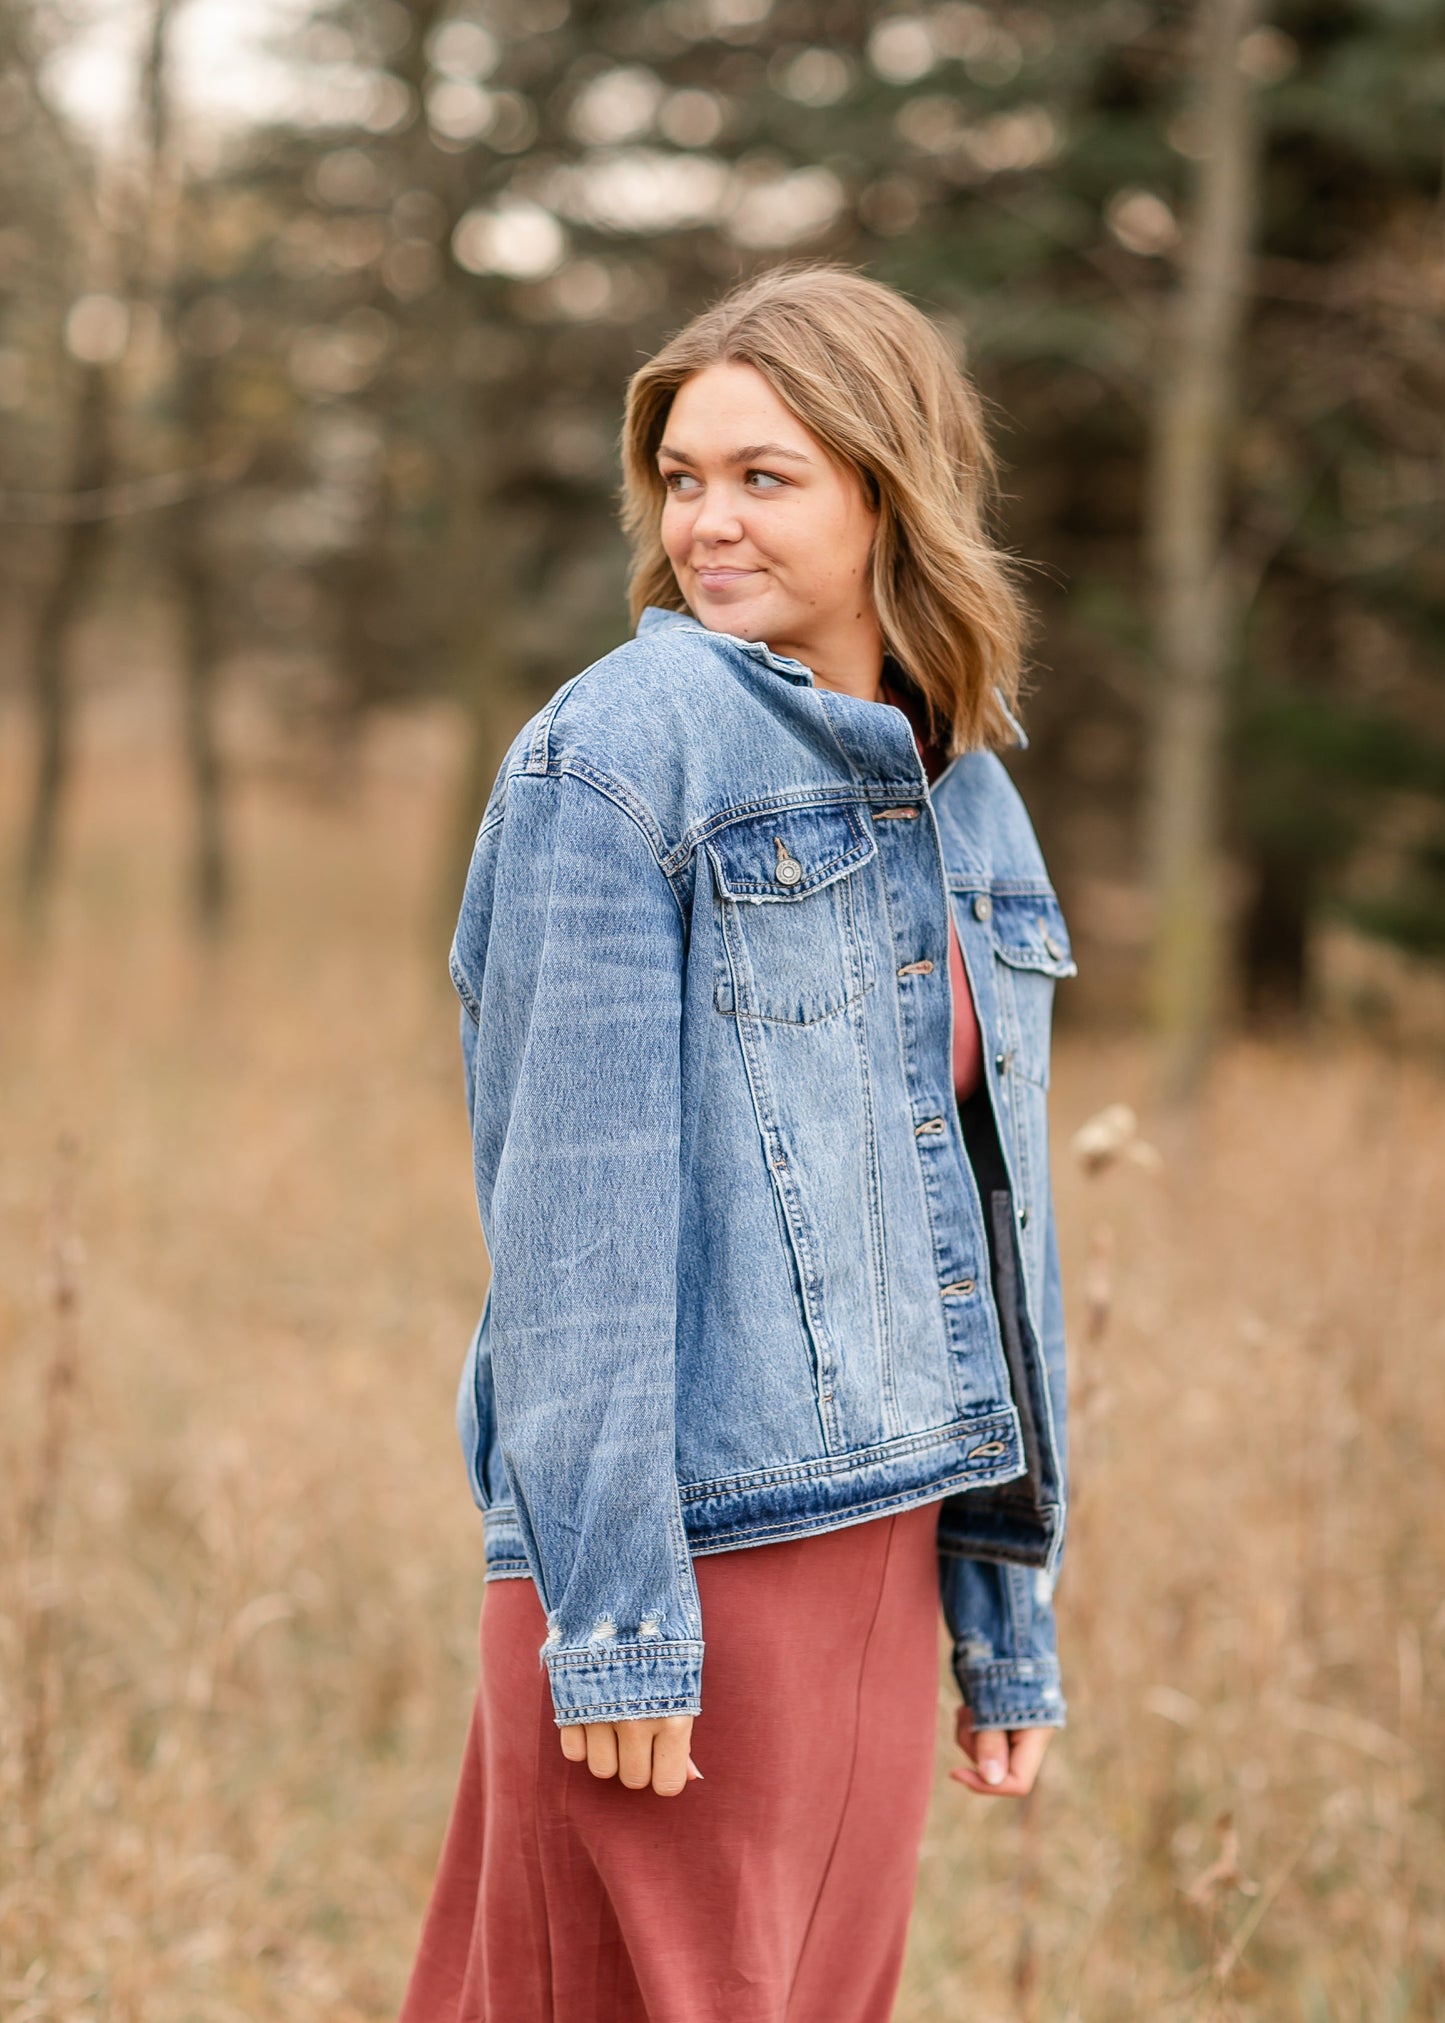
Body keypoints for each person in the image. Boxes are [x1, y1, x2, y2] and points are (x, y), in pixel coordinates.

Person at [399, 263, 1075, 2023]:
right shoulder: (619, 757)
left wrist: (1004, 1618)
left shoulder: (965, 791)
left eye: (761, 477)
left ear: (889, 490)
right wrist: (617, 1619)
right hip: (690, 1557)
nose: (705, 521)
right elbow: (578, 1231)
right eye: (684, 478)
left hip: (889, 1535)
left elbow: (994, 1242)